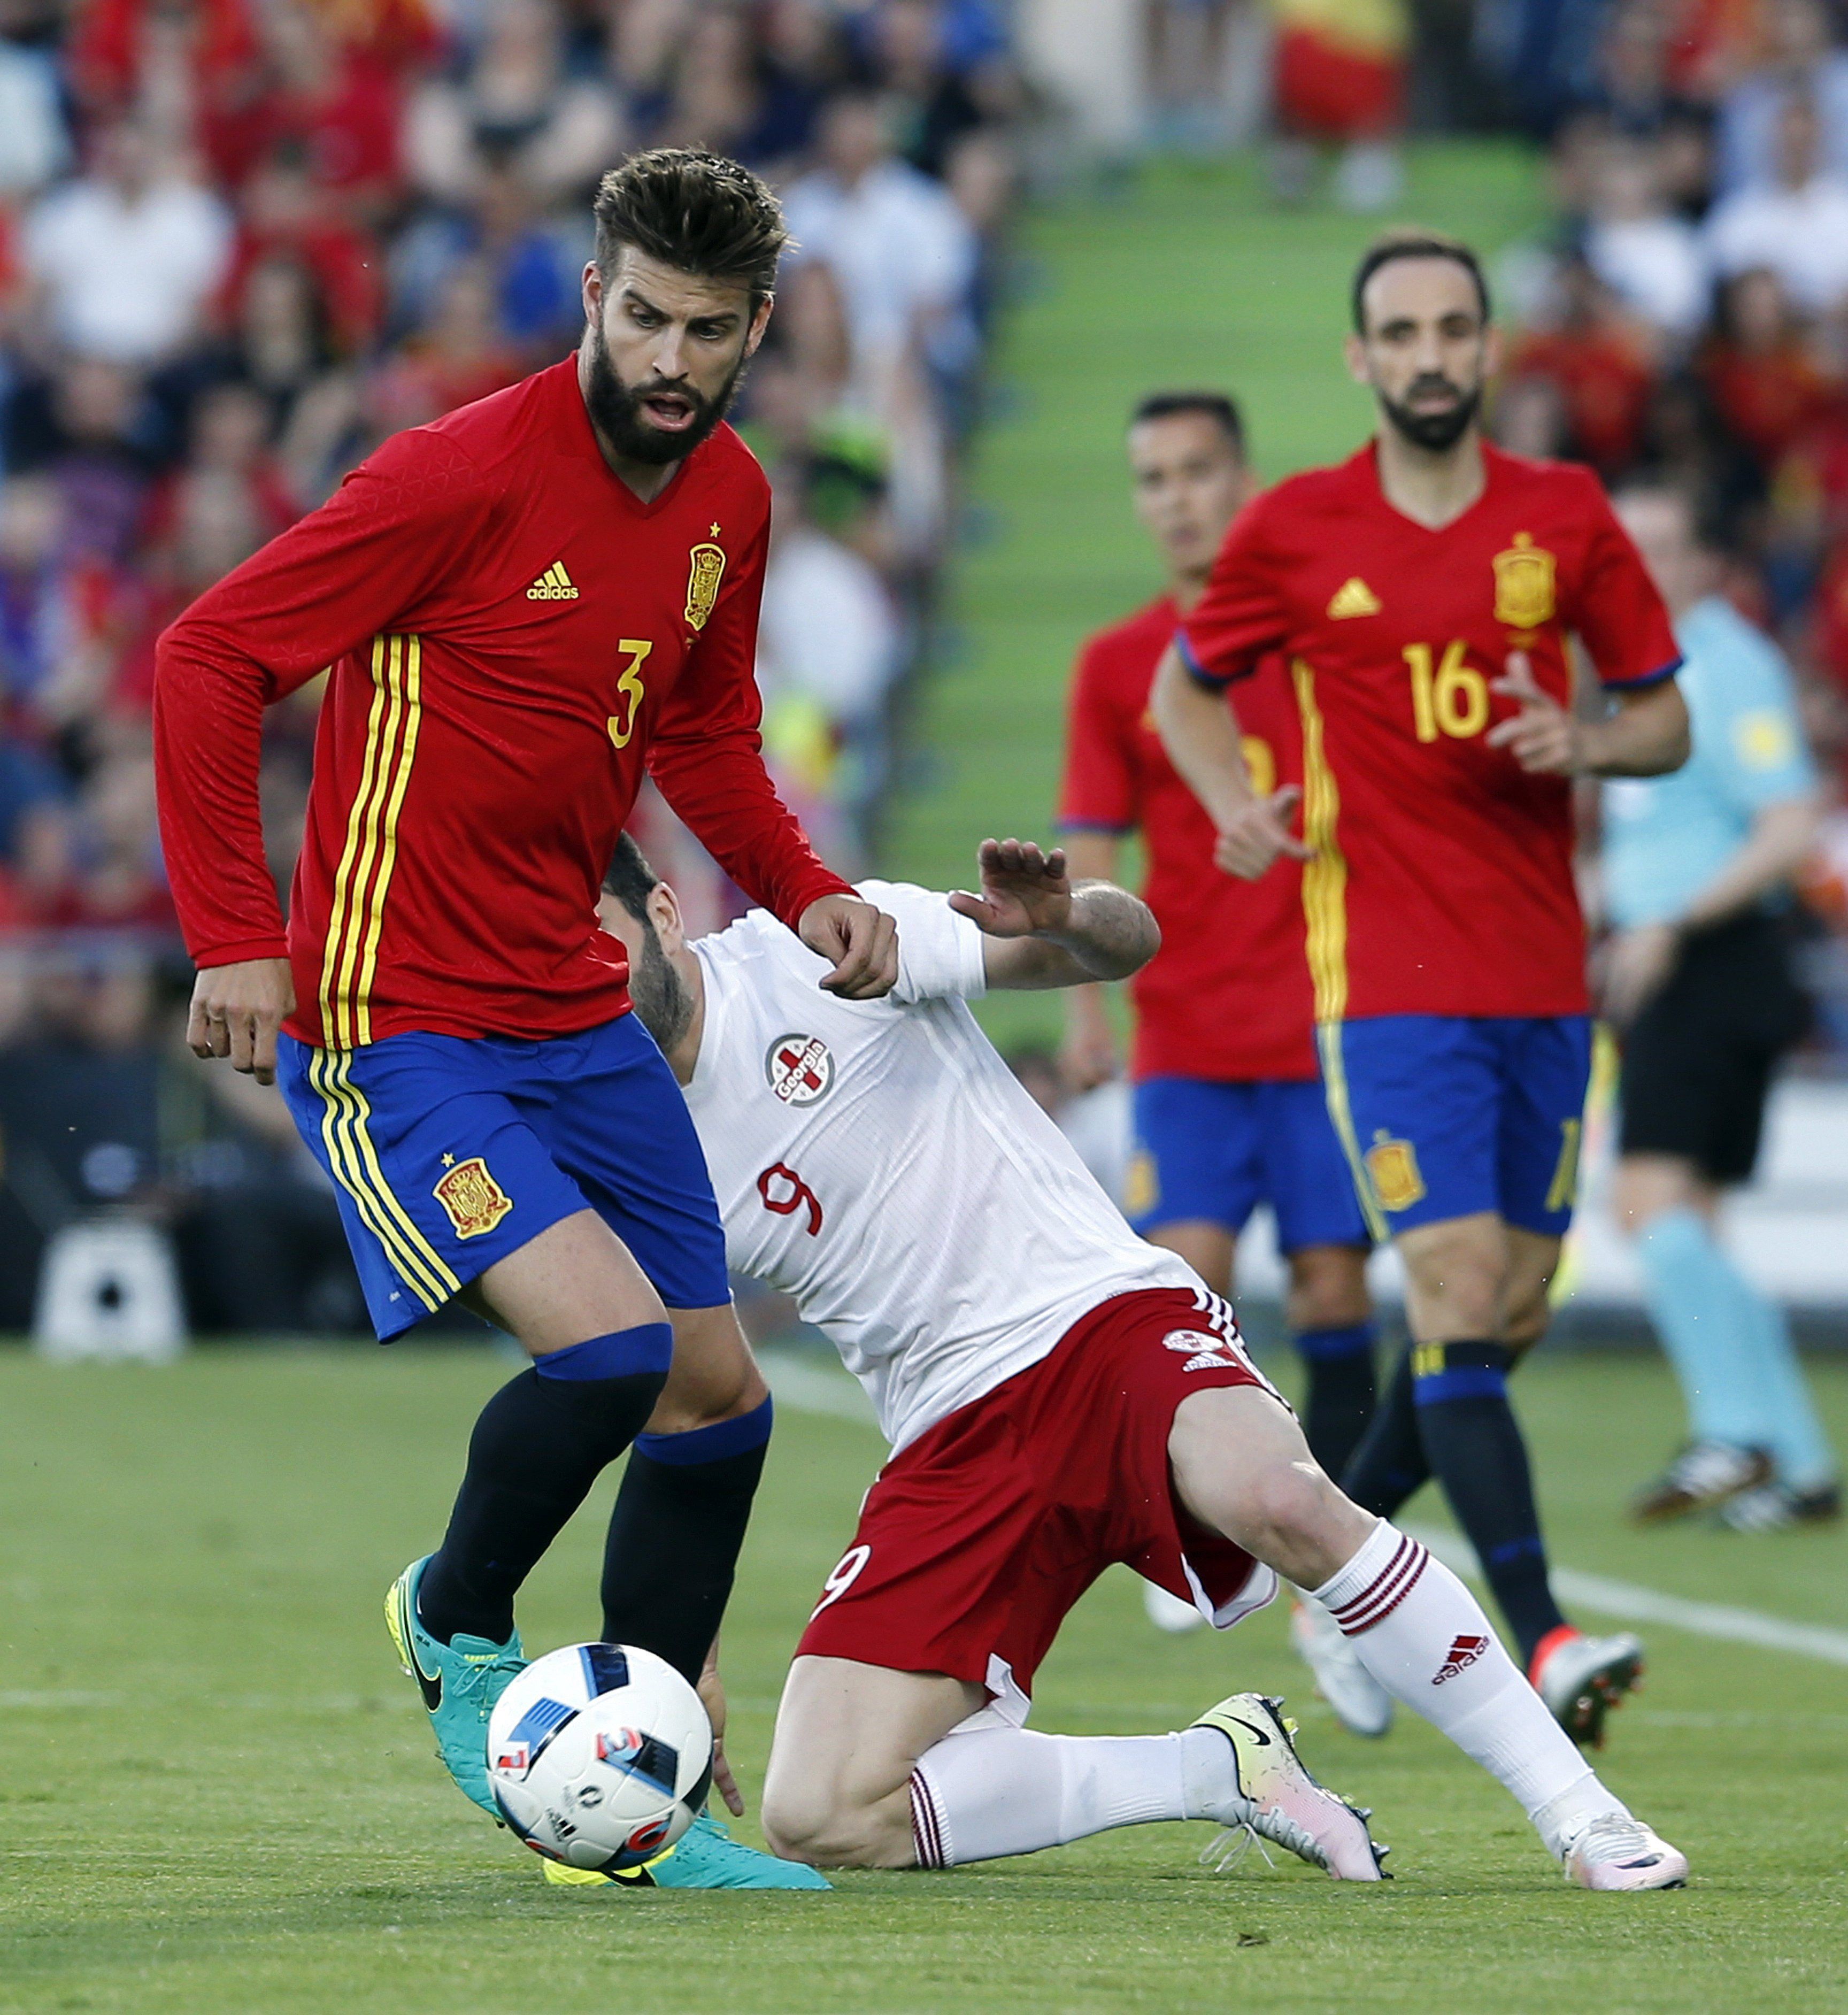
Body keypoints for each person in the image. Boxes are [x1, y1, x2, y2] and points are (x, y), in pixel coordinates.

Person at [151, 149, 899, 1893]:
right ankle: (453, 1613)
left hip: (574, 1012)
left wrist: (810, 891)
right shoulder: (456, 475)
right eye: (641, 313)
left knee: (719, 1396)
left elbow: (705, 730)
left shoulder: (730, 501)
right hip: (394, 1015)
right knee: (615, 1349)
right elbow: (208, 656)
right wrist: (232, 938)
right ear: (590, 294)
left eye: (705, 328)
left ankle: (645, 1814)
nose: (668, 351)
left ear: (751, 333)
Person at [591, 830, 1689, 1891]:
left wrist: (1070, 919)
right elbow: (701, 1405)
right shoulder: (627, 1145)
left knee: (1284, 1500)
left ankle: (1584, 1814)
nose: (580, 978)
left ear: (667, 913)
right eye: (547, 966)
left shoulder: (818, 948)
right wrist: (683, 1645)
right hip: (949, 1429)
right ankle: (1215, 1768)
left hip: (1101, 1318)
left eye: (595, 938)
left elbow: (1119, 944)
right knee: (821, 1810)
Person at [1149, 229, 1691, 1746]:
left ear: (1488, 344)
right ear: (1363, 358)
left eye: (1454, 326)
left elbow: (1665, 720)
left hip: (1541, 978)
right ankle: (1547, 1637)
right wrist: (1233, 805)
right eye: (1402, 331)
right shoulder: (1300, 530)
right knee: (1452, 1294)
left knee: (1501, 1321)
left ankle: (1337, 1584)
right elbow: (1181, 688)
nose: (1431, 354)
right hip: (1386, 978)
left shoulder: (1565, 518)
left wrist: (1586, 740)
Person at [1056, 390, 1377, 1657]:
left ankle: (1337, 1576)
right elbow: (1089, 841)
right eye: (1154, 477)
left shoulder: (1312, 636)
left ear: (1243, 479)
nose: (1178, 496)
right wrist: (1085, 1003)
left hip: (1324, 1028)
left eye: (1198, 470)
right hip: (1187, 1036)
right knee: (1185, 1298)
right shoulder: (1115, 663)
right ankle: (1190, 1536)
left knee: (1336, 1288)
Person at [1604, 482, 1839, 1530]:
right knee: (1696, 1221)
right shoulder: (1635, 674)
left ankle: (1735, 1433)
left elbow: (1790, 823)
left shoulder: (1726, 666)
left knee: (1648, 1206)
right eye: (1625, 548)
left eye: (1662, 547)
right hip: (1686, 966)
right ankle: (1797, 1463)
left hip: (1714, 963)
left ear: (1703, 562)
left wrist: (1669, 925)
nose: (1643, 567)